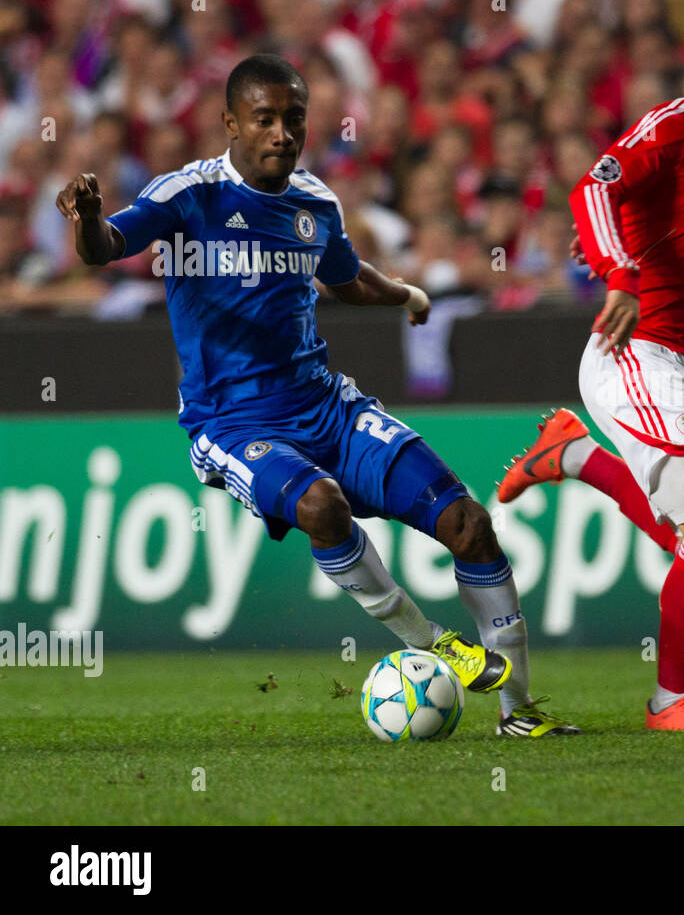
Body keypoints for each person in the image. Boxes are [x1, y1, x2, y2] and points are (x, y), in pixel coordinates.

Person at [55, 53, 578, 738]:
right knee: (320, 506)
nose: (280, 132)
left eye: (292, 118)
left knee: (469, 526)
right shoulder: (188, 196)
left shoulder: (313, 202)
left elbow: (344, 275)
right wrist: (88, 219)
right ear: (230, 124)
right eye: (264, 119)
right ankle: (426, 640)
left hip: (328, 407)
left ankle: (520, 715)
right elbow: (107, 246)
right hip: (232, 423)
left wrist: (406, 294)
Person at [496, 1, 684, 731]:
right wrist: (618, 270)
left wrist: (625, 238)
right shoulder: (680, 124)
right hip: (639, 351)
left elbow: (662, 213)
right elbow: (596, 185)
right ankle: (670, 702)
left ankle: (572, 456)